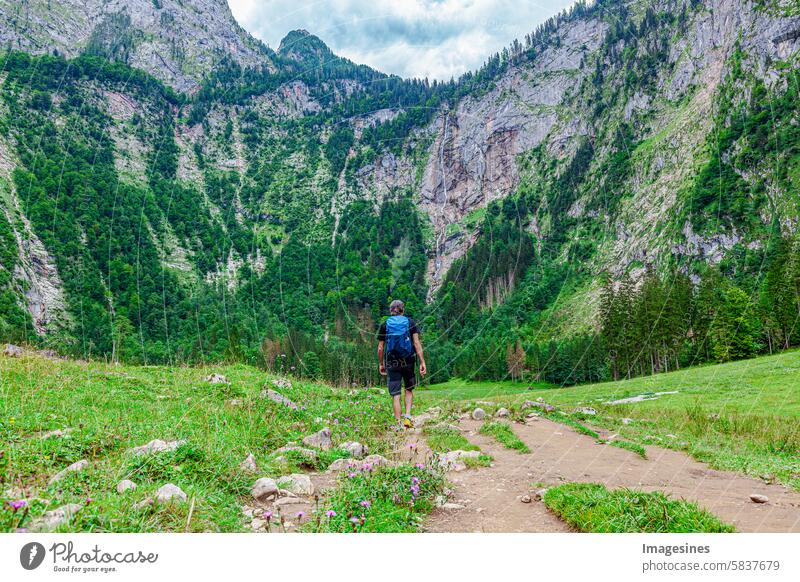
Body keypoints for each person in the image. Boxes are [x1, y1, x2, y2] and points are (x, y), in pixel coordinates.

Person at [377, 299, 426, 429]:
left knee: (396, 394)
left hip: (392, 362)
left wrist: (381, 363)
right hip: (408, 361)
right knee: (409, 390)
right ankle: (408, 418)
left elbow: (380, 348)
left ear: (391, 311)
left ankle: (398, 424)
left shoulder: (385, 324)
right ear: (403, 310)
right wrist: (422, 361)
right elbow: (416, 343)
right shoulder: (410, 322)